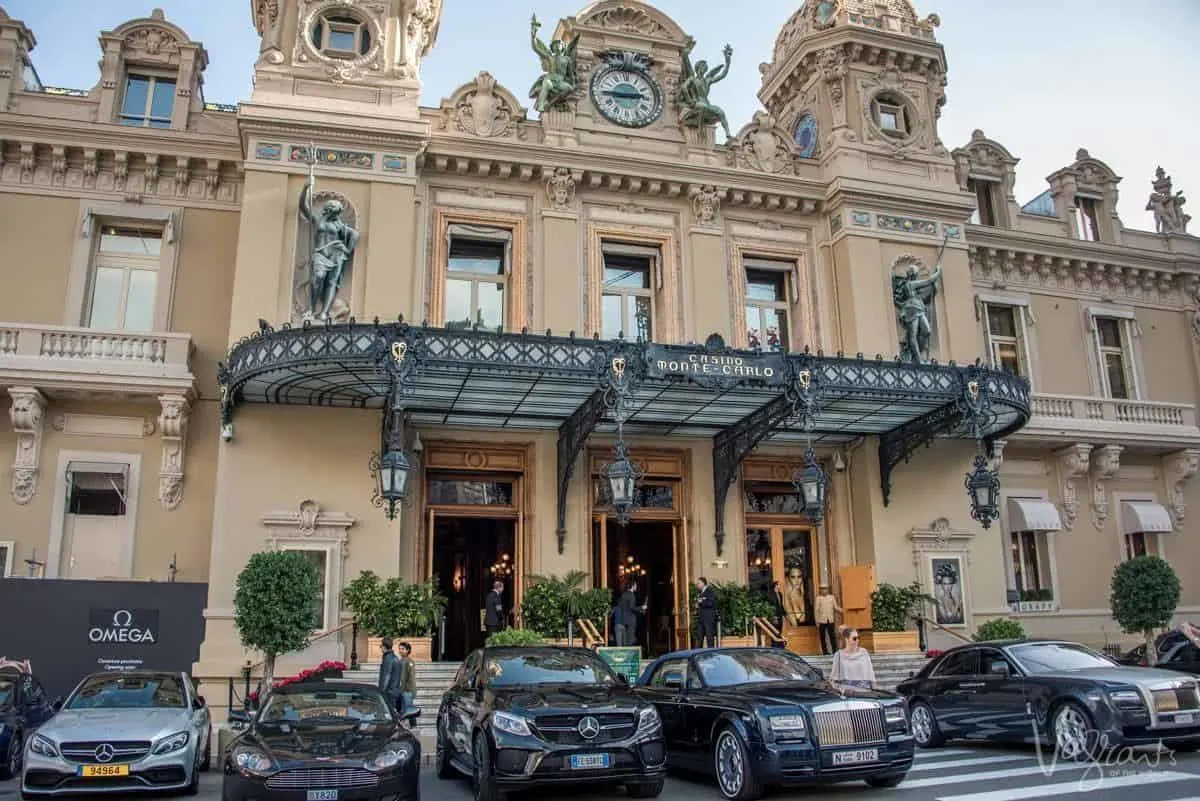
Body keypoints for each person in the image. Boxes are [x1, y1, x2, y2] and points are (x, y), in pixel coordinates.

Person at [814, 584, 843, 656]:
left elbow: (835, 607)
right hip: (821, 621)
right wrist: (817, 621)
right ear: (820, 590)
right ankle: (825, 652)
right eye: (822, 589)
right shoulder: (818, 598)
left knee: (832, 636)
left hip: (830, 620)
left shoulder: (831, 597)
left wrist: (843, 610)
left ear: (828, 589)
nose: (824, 590)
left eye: (825, 589)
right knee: (822, 637)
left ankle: (835, 651)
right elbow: (816, 610)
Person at [377, 637, 401, 714]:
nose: (380, 648)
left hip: (388, 694)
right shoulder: (394, 657)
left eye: (381, 646)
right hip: (393, 692)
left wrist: (380, 693)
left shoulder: (388, 658)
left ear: (384, 647)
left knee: (387, 715)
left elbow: (386, 676)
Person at [696, 577, 717, 648]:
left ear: (703, 583)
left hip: (708, 618)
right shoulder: (700, 592)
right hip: (701, 619)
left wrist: (701, 602)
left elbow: (711, 603)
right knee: (699, 637)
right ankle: (698, 654)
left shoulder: (710, 591)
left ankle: (711, 655)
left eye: (698, 583)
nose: (697, 585)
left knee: (709, 637)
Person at [617, 581, 640, 647]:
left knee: (626, 640)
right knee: (630, 640)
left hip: (623, 620)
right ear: (632, 586)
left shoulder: (624, 594)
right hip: (631, 621)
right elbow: (632, 608)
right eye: (635, 585)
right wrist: (641, 608)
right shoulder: (631, 595)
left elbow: (619, 605)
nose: (636, 587)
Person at [396, 642, 416, 716]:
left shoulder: (407, 661)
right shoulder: (403, 660)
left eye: (403, 649)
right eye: (400, 649)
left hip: (407, 690)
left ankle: (412, 725)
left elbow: (406, 678)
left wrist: (401, 691)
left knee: (408, 711)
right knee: (407, 710)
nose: (400, 651)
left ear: (408, 650)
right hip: (405, 690)